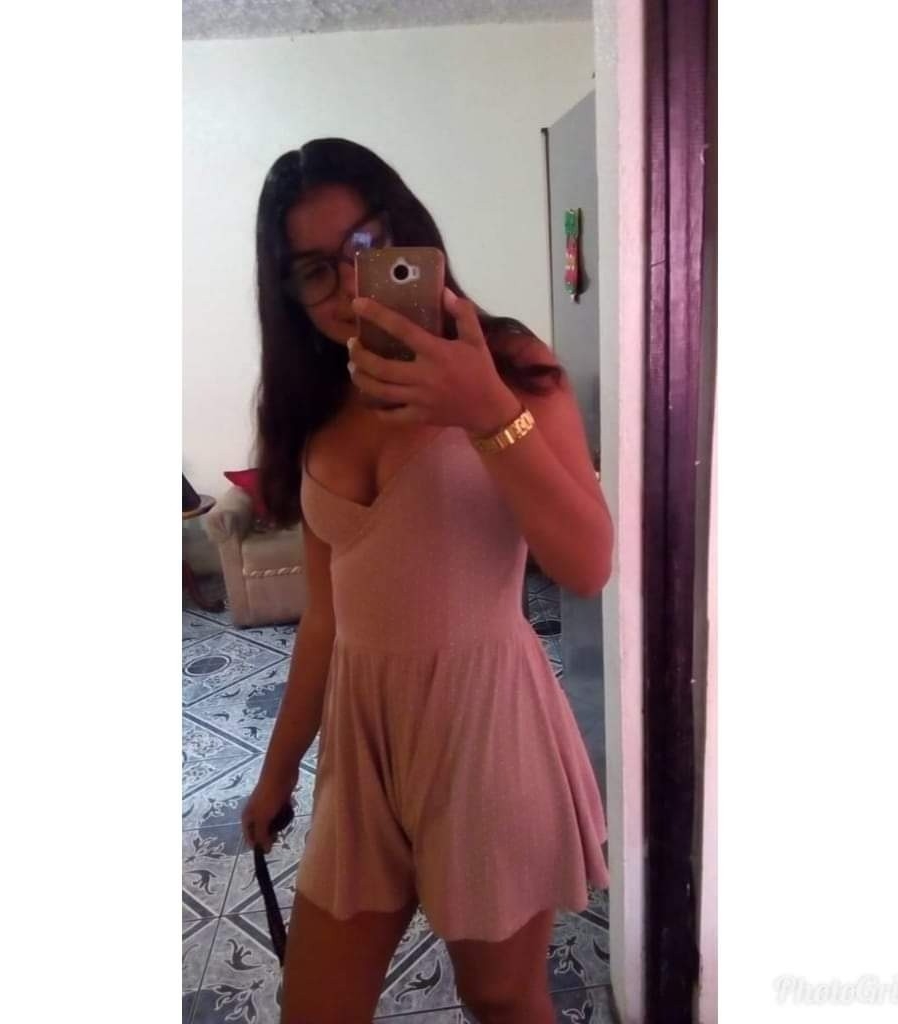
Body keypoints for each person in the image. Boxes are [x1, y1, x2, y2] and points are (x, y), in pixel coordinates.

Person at [240, 137, 613, 1024]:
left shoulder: (506, 363)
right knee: (314, 1008)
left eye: (364, 248)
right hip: (361, 741)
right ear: (287, 292)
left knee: (501, 997)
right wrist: (277, 772)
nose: (347, 286)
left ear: (404, 233)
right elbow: (325, 622)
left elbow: (588, 564)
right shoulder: (312, 405)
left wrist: (487, 412)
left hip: (488, 729)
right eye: (314, 271)